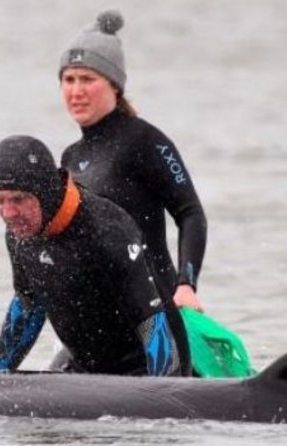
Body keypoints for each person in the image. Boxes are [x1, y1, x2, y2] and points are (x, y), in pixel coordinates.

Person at [0, 135, 190, 377]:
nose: (8, 213)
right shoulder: (20, 235)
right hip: (83, 371)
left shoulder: (106, 229)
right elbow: (29, 305)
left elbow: (151, 322)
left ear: (45, 191)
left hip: (143, 370)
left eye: (18, 199)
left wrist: (166, 392)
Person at [57, 10, 208, 313]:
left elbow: (190, 213)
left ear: (114, 85)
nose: (76, 91)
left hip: (155, 309)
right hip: (103, 317)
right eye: (68, 79)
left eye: (88, 79)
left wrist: (186, 285)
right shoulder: (70, 157)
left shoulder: (144, 140)